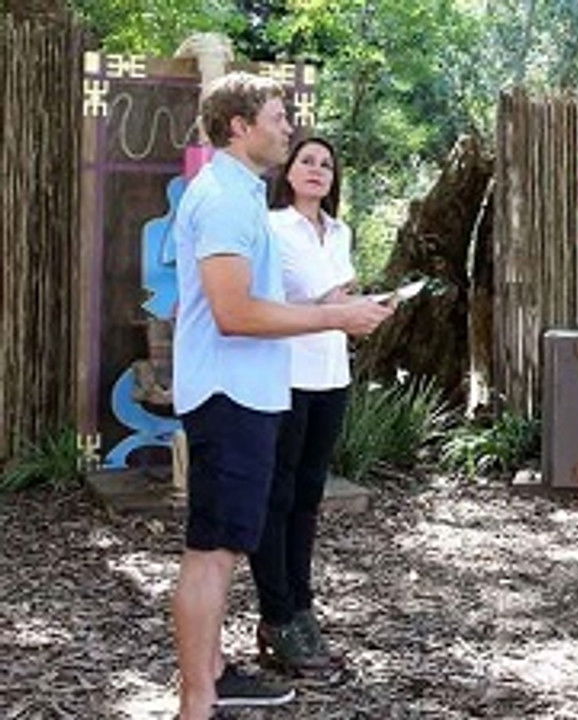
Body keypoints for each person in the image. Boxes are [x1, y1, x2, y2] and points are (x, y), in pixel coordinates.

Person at [170, 73, 392, 720]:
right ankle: (197, 703)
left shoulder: (239, 192)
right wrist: (336, 318)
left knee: (223, 546)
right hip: (229, 396)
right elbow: (234, 312)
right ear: (240, 126)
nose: (288, 128)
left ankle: (214, 673)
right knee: (211, 554)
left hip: (247, 396)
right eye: (277, 117)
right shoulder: (225, 199)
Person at [248, 136, 357, 674]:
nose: (317, 170)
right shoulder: (270, 228)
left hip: (332, 374)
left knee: (309, 495)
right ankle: (275, 614)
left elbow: (341, 297)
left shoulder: (340, 232)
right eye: (307, 161)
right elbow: (262, 303)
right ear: (288, 172)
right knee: (279, 494)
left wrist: (362, 305)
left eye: (326, 165)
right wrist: (328, 305)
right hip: (285, 375)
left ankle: (301, 605)